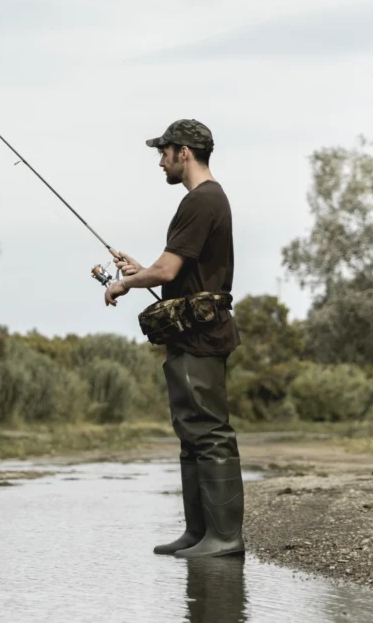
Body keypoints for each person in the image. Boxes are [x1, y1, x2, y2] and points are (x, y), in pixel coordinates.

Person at [102, 119, 244, 559]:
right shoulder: (204, 201)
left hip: (201, 337)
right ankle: (198, 533)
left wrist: (124, 284)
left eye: (163, 151)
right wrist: (139, 270)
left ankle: (224, 538)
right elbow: (177, 274)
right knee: (190, 434)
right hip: (190, 334)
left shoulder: (201, 201)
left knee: (209, 433)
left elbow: (166, 272)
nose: (160, 160)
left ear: (184, 152)